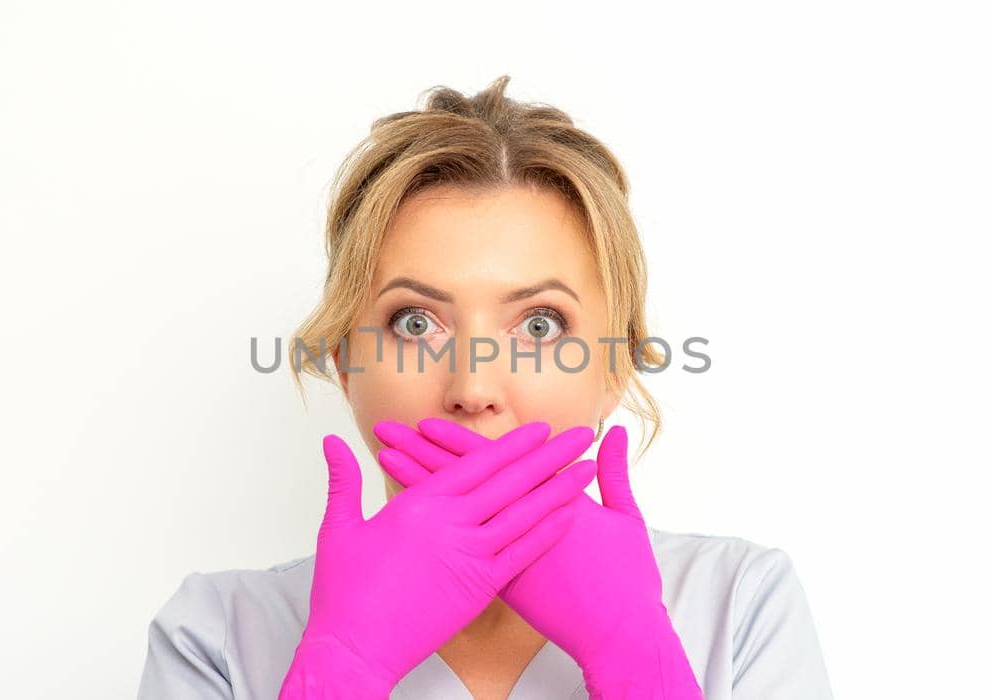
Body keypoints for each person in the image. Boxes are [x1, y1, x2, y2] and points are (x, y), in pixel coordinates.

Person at [137, 75, 834, 699]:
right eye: (415, 322)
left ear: (615, 367)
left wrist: (636, 658)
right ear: (346, 364)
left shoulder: (741, 606)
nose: (474, 389)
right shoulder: (216, 636)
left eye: (538, 325)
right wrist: (344, 665)